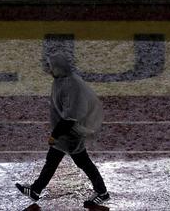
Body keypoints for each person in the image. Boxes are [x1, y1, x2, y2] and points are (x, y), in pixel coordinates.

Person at [16, 52, 110, 207]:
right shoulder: (62, 80)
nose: (50, 70)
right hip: (66, 132)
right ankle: (36, 190)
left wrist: (55, 135)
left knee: (83, 162)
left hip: (70, 133)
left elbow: (70, 117)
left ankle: (102, 192)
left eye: (52, 67)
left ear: (59, 68)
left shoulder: (70, 85)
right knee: (53, 161)